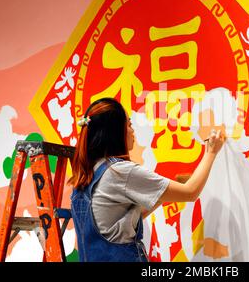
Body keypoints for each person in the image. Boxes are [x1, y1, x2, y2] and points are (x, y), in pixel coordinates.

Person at [68, 97, 225, 262]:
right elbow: (191, 192)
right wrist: (211, 152)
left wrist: (160, 193)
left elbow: (124, 222)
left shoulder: (86, 173)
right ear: (115, 132)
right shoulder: (119, 172)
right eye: (129, 125)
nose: (132, 131)